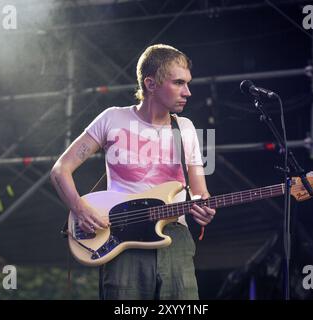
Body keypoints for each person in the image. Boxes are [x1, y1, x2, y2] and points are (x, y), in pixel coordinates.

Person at [50, 44, 216, 300]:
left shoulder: (188, 128)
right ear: (151, 84)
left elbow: (200, 191)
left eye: (188, 83)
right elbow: (61, 169)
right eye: (179, 83)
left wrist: (202, 208)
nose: (188, 92)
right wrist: (80, 210)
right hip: (120, 239)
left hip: (175, 236)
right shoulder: (111, 118)